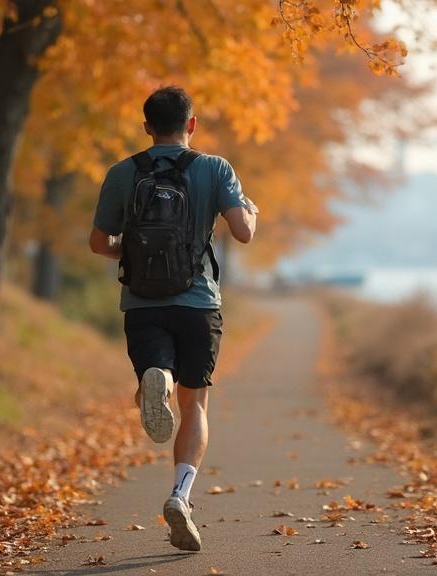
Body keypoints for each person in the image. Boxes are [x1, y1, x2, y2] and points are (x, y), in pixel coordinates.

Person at [88, 86, 258, 552]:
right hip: (199, 302)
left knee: (156, 369)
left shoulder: (124, 173)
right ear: (192, 124)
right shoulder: (214, 168)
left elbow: (99, 243)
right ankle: (181, 494)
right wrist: (252, 214)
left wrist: (134, 252)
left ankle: (155, 375)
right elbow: (242, 233)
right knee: (195, 405)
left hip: (142, 303)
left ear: (146, 128)